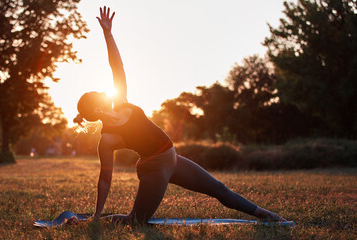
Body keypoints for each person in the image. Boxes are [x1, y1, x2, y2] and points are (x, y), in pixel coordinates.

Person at [73, 6, 286, 225]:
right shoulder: (106, 139)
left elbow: (116, 66)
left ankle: (264, 214)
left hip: (172, 158)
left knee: (218, 189)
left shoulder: (121, 102)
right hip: (155, 167)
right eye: (97, 94)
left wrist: (108, 34)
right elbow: (105, 180)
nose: (102, 92)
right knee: (136, 221)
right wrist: (97, 215)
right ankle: (92, 222)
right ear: (96, 109)